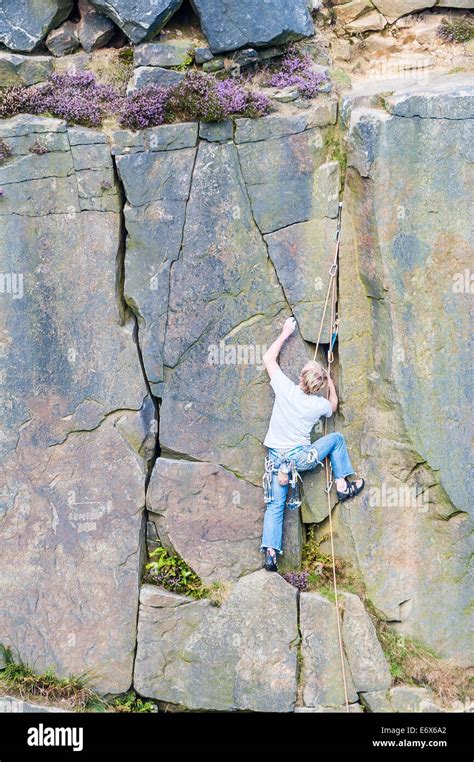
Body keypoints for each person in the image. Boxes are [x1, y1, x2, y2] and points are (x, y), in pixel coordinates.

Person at [261, 316, 365, 572]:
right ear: (317, 387)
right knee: (336, 439)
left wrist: (286, 332)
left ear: (300, 377)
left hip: (277, 460)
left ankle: (271, 554)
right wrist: (329, 382)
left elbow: (268, 360)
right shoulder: (317, 404)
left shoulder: (285, 389)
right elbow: (333, 406)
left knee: (275, 505)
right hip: (301, 459)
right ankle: (342, 484)